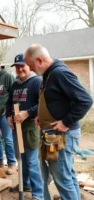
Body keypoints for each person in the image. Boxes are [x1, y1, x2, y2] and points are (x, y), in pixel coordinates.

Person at [24, 44, 93, 200]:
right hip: (52, 135)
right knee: (65, 175)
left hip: (63, 136)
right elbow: (55, 101)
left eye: (31, 65)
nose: (31, 69)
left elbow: (85, 100)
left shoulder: (60, 73)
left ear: (40, 60)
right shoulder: (47, 75)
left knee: (62, 177)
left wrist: (66, 122)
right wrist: (41, 115)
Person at [6, 53, 43, 200]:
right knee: (21, 158)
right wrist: (8, 115)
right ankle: (24, 184)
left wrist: (27, 113)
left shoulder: (36, 82)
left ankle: (38, 194)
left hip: (30, 127)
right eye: (17, 66)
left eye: (22, 66)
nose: (20, 69)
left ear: (28, 66)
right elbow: (9, 103)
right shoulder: (15, 84)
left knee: (32, 161)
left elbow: (42, 104)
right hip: (17, 127)